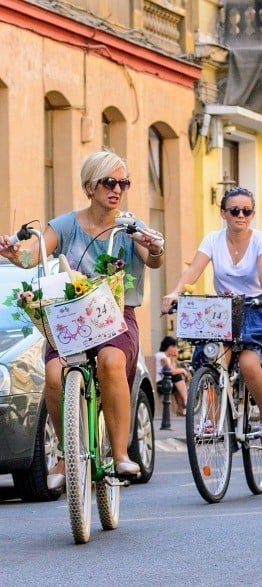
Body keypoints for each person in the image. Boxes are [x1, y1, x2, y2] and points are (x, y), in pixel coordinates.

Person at [0, 150, 165, 488]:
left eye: (123, 183)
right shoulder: (65, 225)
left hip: (115, 316)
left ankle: (120, 454)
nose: (117, 189)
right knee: (53, 373)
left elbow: (153, 260)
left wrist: (153, 246)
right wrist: (16, 255)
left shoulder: (129, 225)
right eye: (109, 182)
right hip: (71, 316)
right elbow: (35, 255)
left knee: (111, 360)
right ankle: (64, 454)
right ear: (90, 187)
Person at [161, 186, 262, 452]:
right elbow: (193, 271)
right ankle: (213, 416)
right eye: (234, 211)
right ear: (223, 213)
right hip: (222, 311)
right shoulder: (212, 240)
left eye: (247, 211)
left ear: (252, 214)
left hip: (256, 308)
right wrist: (174, 292)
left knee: (250, 364)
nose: (241, 215)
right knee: (214, 358)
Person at [156, 335, 189, 416]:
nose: (175, 349)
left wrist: (174, 357)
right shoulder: (161, 356)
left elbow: (172, 369)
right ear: (168, 346)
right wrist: (183, 370)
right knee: (177, 377)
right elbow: (171, 371)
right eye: (173, 346)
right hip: (159, 383)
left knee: (177, 383)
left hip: (165, 381)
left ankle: (181, 409)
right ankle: (186, 401)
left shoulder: (167, 357)